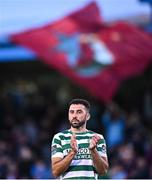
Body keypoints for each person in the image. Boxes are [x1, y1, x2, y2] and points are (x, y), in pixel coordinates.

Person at [51, 98, 109, 179]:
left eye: (79, 112)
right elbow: (55, 172)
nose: (74, 115)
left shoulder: (97, 138)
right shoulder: (59, 137)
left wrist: (93, 150)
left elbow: (103, 171)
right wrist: (73, 152)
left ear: (88, 116)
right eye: (71, 112)